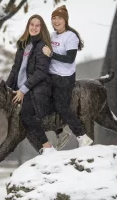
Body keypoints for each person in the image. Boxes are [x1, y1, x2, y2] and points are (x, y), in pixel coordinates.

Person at [42, 5, 93, 147]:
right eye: (53, 18)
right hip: (50, 75)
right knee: (43, 102)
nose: (56, 21)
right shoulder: (51, 36)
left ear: (65, 20)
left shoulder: (71, 37)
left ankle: (82, 136)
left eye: (59, 18)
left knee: (61, 106)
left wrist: (51, 54)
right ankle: (61, 132)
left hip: (65, 77)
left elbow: (69, 58)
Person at [6, 14, 56, 155]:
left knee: (26, 114)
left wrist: (23, 89)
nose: (34, 28)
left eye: (37, 25)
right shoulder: (22, 45)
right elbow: (15, 69)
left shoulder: (42, 46)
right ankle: (41, 151)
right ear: (28, 26)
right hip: (20, 87)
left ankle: (47, 147)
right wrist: (7, 89)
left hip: (37, 87)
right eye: (32, 24)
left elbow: (41, 72)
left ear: (41, 28)